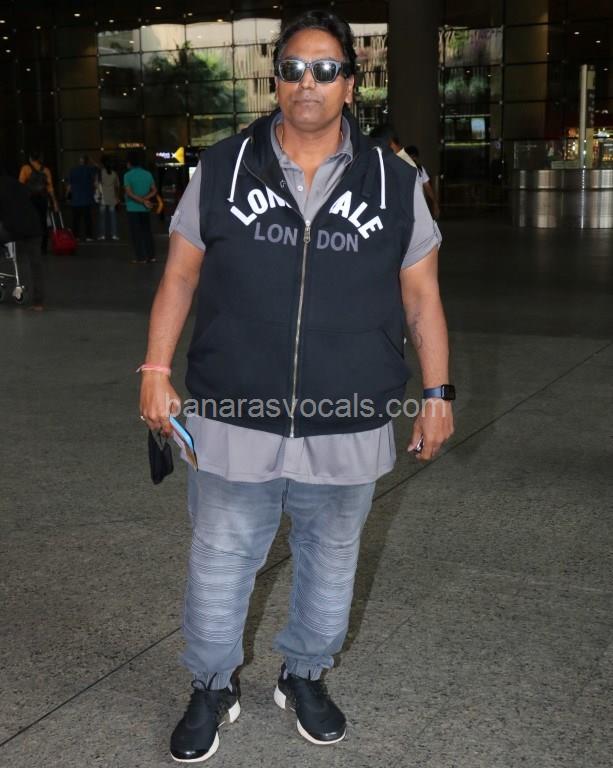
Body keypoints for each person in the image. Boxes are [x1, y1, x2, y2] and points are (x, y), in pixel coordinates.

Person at [139, 10, 454, 764]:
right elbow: (180, 275)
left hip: (348, 414)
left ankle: (304, 676)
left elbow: (421, 296)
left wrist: (437, 393)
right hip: (233, 411)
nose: (307, 82)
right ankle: (211, 686)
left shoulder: (395, 181)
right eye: (292, 68)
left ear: (350, 83)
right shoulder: (221, 168)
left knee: (331, 560)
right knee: (220, 562)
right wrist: (154, 370)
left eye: (324, 69)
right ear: (275, 79)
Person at [1, 163, 43, 308]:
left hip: (13, 228)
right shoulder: (17, 184)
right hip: (33, 226)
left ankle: (3, 252)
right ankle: (38, 302)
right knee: (36, 264)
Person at [18, 151, 59, 258]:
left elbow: (20, 185)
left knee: (31, 222)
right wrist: (54, 202)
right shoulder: (46, 170)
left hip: (30, 200)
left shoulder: (26, 169)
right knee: (43, 222)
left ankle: (31, 246)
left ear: (30, 159)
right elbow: (50, 188)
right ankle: (43, 248)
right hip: (42, 199)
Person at [124, 150, 157, 263]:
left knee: (136, 234)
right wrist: (146, 199)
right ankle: (151, 256)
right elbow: (154, 190)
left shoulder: (127, 175)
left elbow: (129, 193)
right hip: (145, 209)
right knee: (147, 232)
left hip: (132, 208)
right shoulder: (147, 174)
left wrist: (142, 201)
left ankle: (141, 257)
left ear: (129, 163)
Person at [66, 155, 97, 241]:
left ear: (80, 161)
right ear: (87, 162)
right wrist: (92, 161)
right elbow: (97, 167)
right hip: (87, 199)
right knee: (88, 219)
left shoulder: (73, 170)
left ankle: (76, 236)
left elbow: (69, 186)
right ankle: (89, 236)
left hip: (76, 199)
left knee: (76, 220)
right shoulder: (89, 169)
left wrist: (67, 196)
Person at [406, 144, 440, 219]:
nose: (413, 159)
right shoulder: (403, 169)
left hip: (420, 205)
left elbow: (428, 187)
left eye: (414, 157)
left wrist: (435, 203)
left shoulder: (420, 169)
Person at [97, 156, 120, 241]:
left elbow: (96, 184)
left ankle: (102, 235)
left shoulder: (100, 173)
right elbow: (117, 186)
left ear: (102, 164)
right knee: (113, 217)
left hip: (103, 198)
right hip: (112, 197)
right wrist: (117, 197)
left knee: (102, 218)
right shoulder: (114, 173)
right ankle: (114, 235)